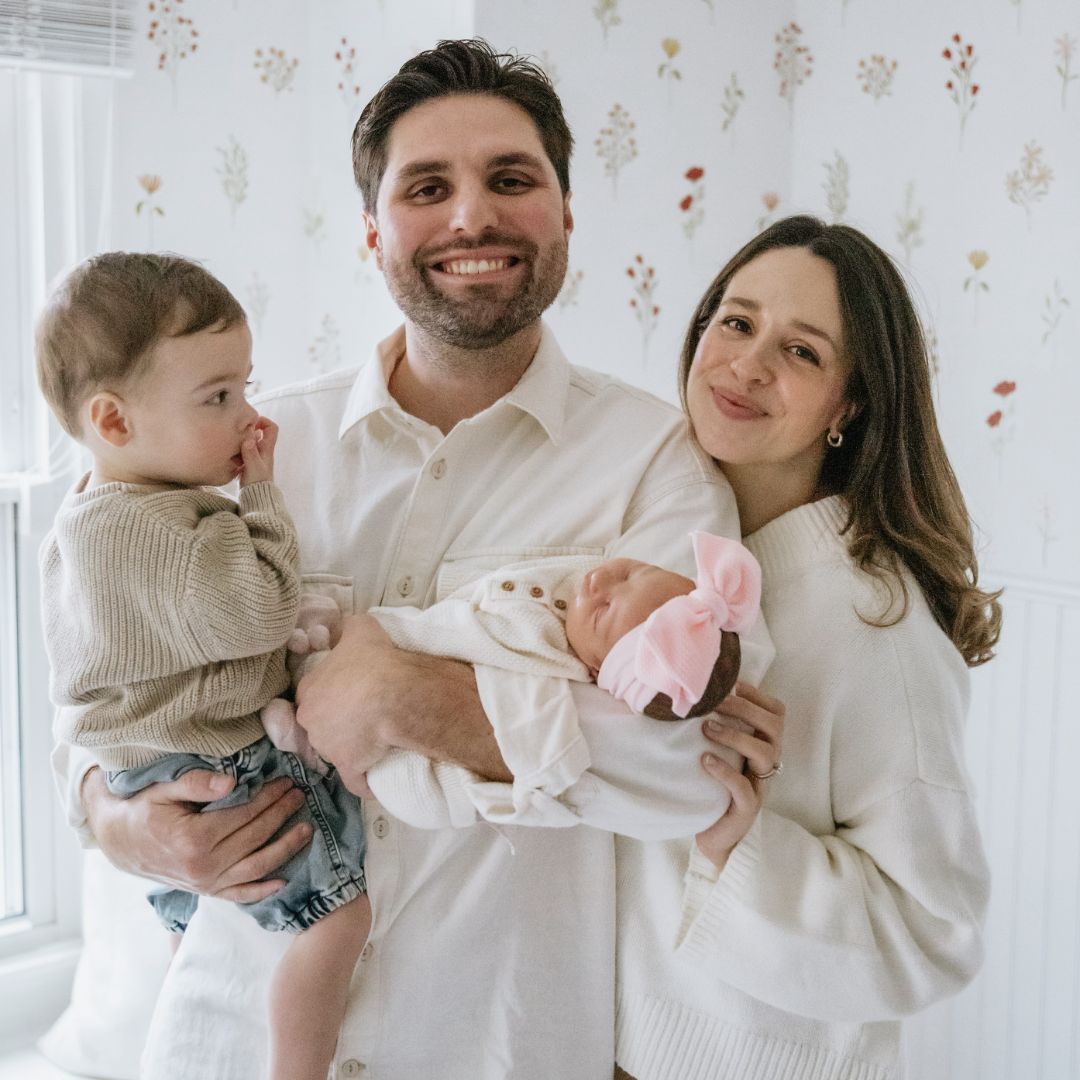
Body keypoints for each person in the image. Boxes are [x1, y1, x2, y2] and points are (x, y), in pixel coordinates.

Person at [54, 40, 776, 1079]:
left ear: (567, 211)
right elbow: (97, 669)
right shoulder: (235, 447)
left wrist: (407, 695)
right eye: (427, 188)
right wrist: (113, 817)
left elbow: (686, 770)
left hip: (492, 1047)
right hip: (225, 1039)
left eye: (511, 179)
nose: (471, 217)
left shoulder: (654, 462)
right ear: (372, 229)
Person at [613, 216, 998, 1080]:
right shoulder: (658, 554)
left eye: (801, 352)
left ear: (848, 405)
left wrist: (740, 845)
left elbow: (937, 933)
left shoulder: (875, 622)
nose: (748, 365)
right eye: (737, 322)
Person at [35, 252, 371, 1080]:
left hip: (144, 772)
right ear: (114, 422)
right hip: (222, 767)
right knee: (339, 919)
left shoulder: (82, 521)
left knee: (208, 940)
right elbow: (260, 609)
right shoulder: (169, 530)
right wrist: (262, 496)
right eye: (218, 397)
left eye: (244, 388)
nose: (247, 416)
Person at [276, 531, 759, 830]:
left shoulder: (544, 657)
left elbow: (465, 636)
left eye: (604, 609)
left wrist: (388, 682)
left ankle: (302, 725)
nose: (599, 581)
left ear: (598, 674)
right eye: (635, 570)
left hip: (408, 788)